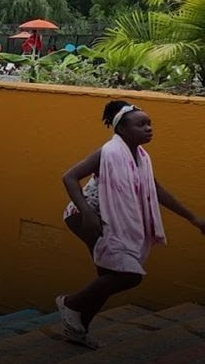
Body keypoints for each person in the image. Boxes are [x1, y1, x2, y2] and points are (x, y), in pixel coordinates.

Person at [57, 101, 205, 348]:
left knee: (108, 275)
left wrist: (193, 218)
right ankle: (70, 304)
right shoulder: (109, 152)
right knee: (128, 274)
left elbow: (157, 190)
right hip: (86, 217)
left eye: (149, 124)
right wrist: (87, 214)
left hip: (106, 220)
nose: (148, 128)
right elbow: (69, 177)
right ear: (122, 129)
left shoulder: (141, 157)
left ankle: (77, 329)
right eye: (141, 124)